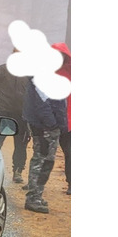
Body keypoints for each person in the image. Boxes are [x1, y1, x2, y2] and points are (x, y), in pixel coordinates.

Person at [22, 72, 69, 214]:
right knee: (42, 162)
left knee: (44, 161)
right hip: (45, 128)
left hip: (46, 127)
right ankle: (33, 198)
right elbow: (42, 106)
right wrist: (53, 125)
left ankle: (36, 195)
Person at [0, 50, 31, 184]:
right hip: (4, 113)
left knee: (21, 145)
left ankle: (18, 171)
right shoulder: (2, 70)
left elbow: (35, 94)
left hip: (22, 115)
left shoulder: (30, 73)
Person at [52, 42, 71, 195]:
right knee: (44, 155)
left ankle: (71, 183)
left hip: (70, 122)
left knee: (70, 153)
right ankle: (36, 188)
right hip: (52, 122)